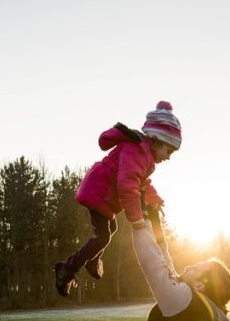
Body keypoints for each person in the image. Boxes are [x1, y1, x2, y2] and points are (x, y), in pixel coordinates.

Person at [54, 101, 182, 297]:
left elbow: (141, 183)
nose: (169, 157)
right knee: (103, 236)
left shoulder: (144, 153)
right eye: (169, 150)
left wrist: (154, 198)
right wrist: (136, 218)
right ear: (157, 139)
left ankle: (91, 260)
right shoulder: (138, 151)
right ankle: (67, 269)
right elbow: (127, 183)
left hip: (101, 194)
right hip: (98, 191)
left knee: (109, 231)